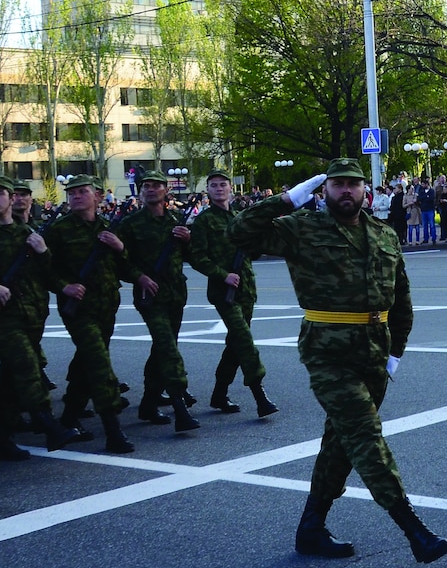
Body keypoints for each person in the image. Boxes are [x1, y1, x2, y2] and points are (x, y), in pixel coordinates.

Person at [229, 159, 447, 564]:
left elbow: (401, 300)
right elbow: (240, 231)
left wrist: (396, 351)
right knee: (366, 437)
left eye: (353, 184)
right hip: (328, 353)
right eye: (337, 185)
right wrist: (287, 199)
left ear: (365, 190)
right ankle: (413, 529)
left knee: (341, 442)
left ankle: (311, 528)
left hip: (374, 353)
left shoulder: (384, 234)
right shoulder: (301, 228)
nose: (346, 191)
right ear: (324, 189)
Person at [0, 176, 80, 458]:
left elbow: (45, 273)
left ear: (11, 199)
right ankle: (47, 423)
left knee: (12, 377)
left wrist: (43, 253)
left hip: (28, 316)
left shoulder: (26, 232)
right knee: (25, 364)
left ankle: (2, 440)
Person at [42, 174, 135, 453]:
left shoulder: (109, 227)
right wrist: (64, 287)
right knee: (97, 362)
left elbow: (126, 268)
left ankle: (70, 417)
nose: (76, 196)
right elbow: (42, 268)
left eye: (82, 191)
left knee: (87, 361)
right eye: (72, 193)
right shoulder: (58, 231)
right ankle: (113, 430)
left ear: (97, 196)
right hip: (78, 309)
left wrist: (121, 249)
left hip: (106, 306)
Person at [189, 169, 277, 417]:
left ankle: (219, 394)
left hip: (246, 289)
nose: (218, 188)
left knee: (235, 343)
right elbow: (197, 257)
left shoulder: (241, 217)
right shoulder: (204, 221)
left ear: (230, 189)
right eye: (213, 185)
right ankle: (260, 395)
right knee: (244, 340)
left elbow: (255, 253)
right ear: (208, 190)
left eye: (222, 184)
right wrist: (222, 274)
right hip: (222, 291)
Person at [117, 170, 199, 432]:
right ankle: (179, 403)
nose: (150, 189)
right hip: (149, 296)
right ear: (140, 192)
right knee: (167, 347)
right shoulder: (129, 224)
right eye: (146, 186)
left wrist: (188, 240)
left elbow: (189, 254)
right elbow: (119, 262)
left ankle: (149, 403)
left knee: (163, 348)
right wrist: (138, 277)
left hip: (175, 294)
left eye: (156, 186)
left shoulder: (175, 220)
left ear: (166, 191)